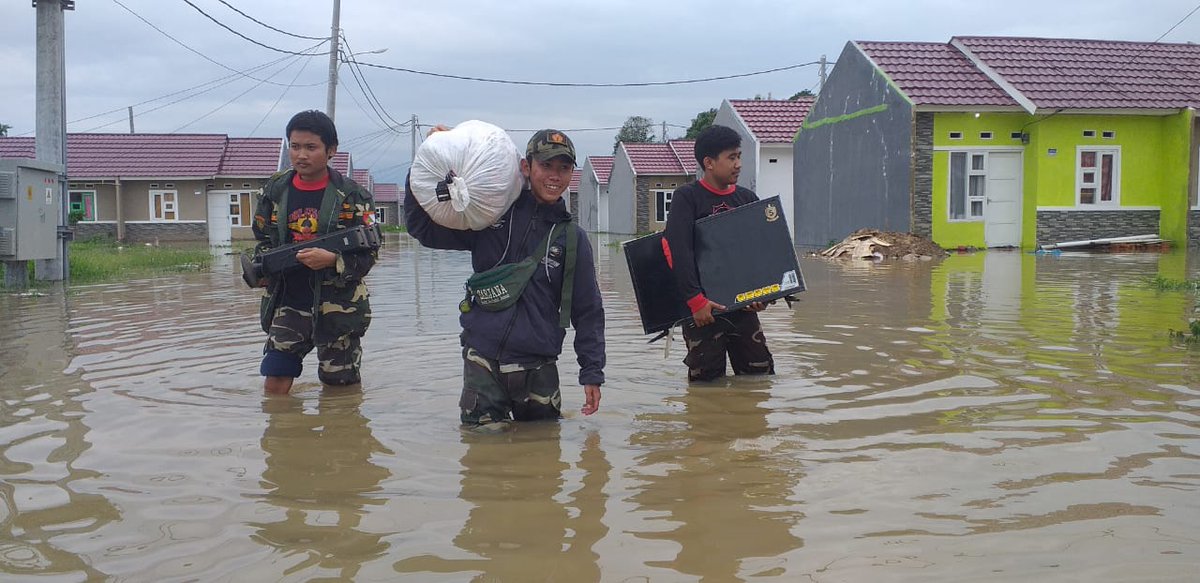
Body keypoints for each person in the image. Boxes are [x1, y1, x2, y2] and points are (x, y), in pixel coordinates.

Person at [405, 129, 605, 430]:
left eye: (564, 168)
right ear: (526, 167)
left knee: (543, 454)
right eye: (546, 165)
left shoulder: (572, 239)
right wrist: (426, 161)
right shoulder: (488, 216)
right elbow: (423, 229)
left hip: (539, 368)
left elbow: (588, 311)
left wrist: (592, 372)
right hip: (482, 362)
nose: (555, 176)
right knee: (482, 453)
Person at [251, 109, 377, 394]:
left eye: (311, 147)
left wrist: (333, 260)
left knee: (341, 389)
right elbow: (262, 238)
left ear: (331, 150)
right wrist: (262, 269)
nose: (301, 155)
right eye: (295, 147)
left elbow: (370, 253)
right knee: (275, 379)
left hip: (339, 305)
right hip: (288, 301)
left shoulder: (354, 196)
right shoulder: (275, 190)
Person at [663, 124, 774, 382]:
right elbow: (677, 251)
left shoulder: (748, 199)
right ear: (709, 163)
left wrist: (763, 295)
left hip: (744, 309)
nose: (738, 164)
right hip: (703, 313)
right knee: (706, 387)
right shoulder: (687, 198)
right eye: (731, 157)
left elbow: (758, 253)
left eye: (739, 156)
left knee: (759, 378)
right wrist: (696, 301)